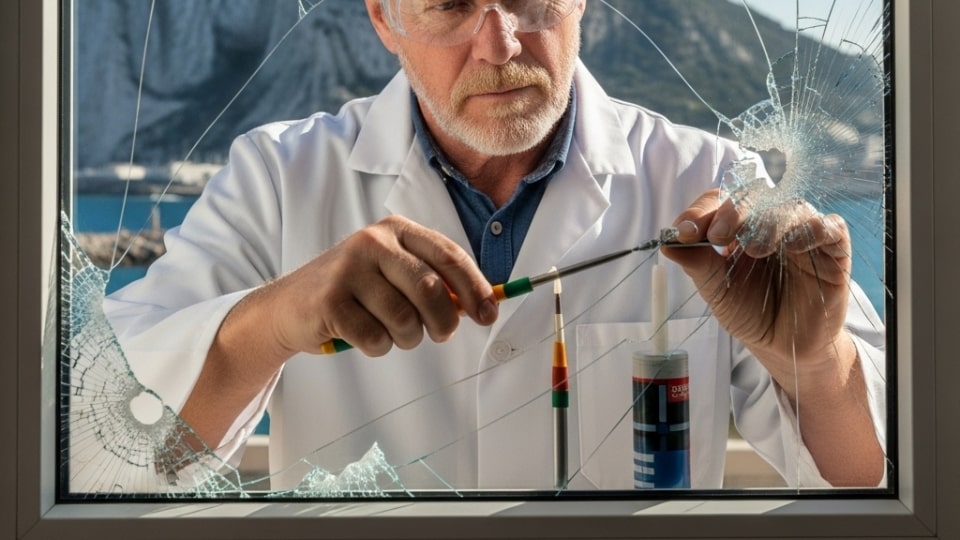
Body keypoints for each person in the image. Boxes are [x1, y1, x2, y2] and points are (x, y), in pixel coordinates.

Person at [104, 0, 886, 491]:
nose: (500, 42)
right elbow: (108, 451)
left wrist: (817, 365)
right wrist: (274, 321)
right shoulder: (276, 178)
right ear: (384, 18)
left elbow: (880, 480)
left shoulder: (716, 182)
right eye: (449, 5)